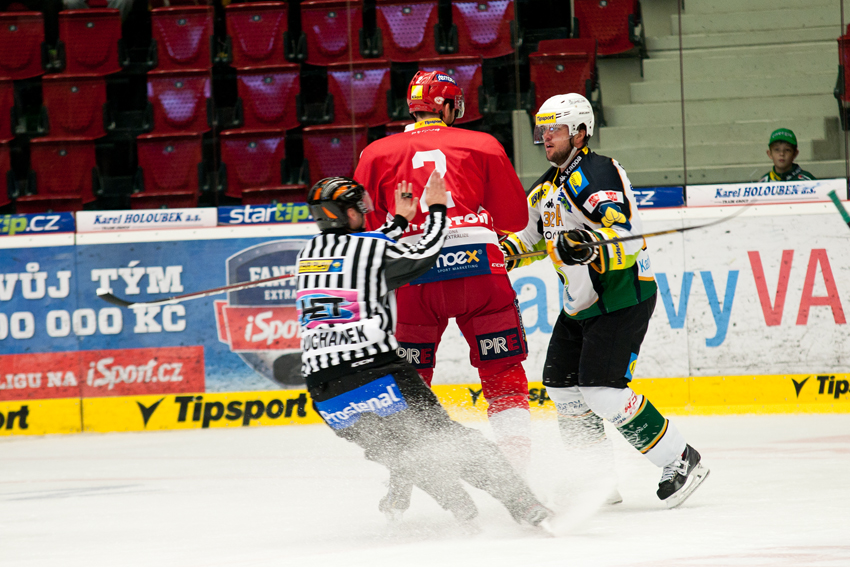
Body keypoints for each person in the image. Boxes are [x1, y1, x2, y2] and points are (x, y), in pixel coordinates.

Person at [296, 175, 551, 527]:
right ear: (350, 214)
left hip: (325, 394)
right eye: (359, 209)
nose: (364, 214)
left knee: (401, 450)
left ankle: (453, 508)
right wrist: (437, 210)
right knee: (449, 441)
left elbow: (371, 246)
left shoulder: (306, 255)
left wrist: (401, 220)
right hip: (376, 373)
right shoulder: (370, 248)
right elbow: (424, 255)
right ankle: (524, 504)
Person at [500, 93, 709, 509]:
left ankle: (681, 458)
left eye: (556, 129)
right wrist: (502, 252)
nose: (546, 137)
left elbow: (624, 234)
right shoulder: (544, 189)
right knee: (562, 388)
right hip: (580, 305)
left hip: (620, 298)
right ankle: (595, 478)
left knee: (601, 391)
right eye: (543, 130)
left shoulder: (597, 173)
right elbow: (532, 240)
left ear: (580, 132)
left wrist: (590, 241)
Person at [354, 70, 533, 475]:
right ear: (448, 106)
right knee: (502, 369)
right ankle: (519, 470)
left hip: (413, 277)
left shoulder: (375, 153)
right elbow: (514, 219)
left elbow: (368, 228)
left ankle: (413, 473)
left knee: (412, 377)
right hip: (480, 272)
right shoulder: (483, 144)